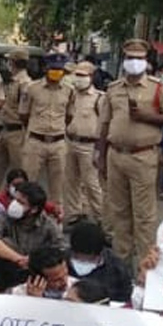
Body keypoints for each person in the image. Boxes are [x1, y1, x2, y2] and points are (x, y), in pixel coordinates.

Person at [97, 38, 163, 264]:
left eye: (139, 58)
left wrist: (145, 117)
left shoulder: (158, 88)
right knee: (118, 213)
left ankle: (145, 265)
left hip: (143, 156)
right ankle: (121, 264)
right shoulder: (113, 89)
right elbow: (104, 124)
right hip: (115, 155)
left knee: (144, 216)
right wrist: (100, 156)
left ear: (147, 61)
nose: (134, 62)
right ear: (124, 60)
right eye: (130, 58)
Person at [0, 181, 63, 291]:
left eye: (21, 202)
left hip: (35, 275)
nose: (14, 204)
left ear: (34, 209)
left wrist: (37, 259)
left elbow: (61, 249)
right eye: (15, 199)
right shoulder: (4, 216)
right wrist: (19, 259)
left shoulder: (48, 225)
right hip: (6, 270)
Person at [20, 52, 74, 200]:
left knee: (58, 187)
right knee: (28, 184)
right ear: (46, 69)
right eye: (53, 69)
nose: (56, 72)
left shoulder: (69, 90)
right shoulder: (32, 88)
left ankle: (55, 218)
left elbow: (69, 115)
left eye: (59, 69)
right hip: (35, 141)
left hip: (58, 143)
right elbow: (23, 114)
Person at [64, 60, 104, 222]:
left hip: (89, 145)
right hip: (70, 142)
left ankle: (101, 218)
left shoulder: (99, 98)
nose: (78, 78)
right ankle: (75, 214)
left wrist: (100, 150)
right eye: (76, 75)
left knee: (92, 184)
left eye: (82, 75)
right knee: (70, 181)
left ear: (91, 77)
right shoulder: (70, 94)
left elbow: (104, 124)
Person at [0, 47, 32, 183]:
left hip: (18, 132)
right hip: (6, 130)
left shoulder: (25, 84)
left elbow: (26, 110)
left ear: (13, 62)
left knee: (20, 172)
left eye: (9, 61)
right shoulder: (14, 81)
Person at [66, 220, 133, 303]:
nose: (83, 263)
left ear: (99, 255)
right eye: (78, 259)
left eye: (89, 260)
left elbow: (125, 300)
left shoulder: (117, 270)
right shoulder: (61, 264)